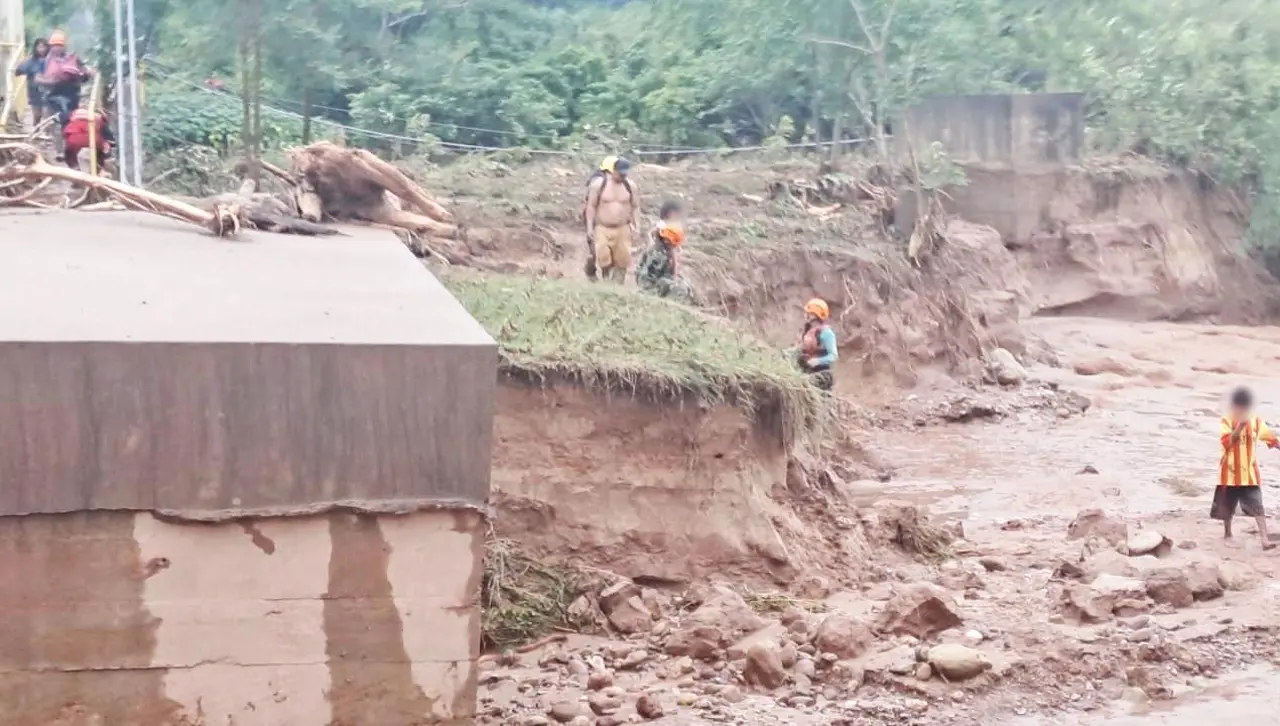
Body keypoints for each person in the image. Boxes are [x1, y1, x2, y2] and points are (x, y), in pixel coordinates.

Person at [1212, 386, 1278, 550]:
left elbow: (1271, 439)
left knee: (1258, 506)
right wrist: (1240, 428)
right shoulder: (1226, 421)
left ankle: (1264, 540)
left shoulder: (1255, 421)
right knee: (1227, 507)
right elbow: (1227, 442)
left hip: (1249, 473)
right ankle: (1227, 535)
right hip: (1229, 474)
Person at [584, 155, 640, 283]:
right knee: (604, 257)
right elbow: (591, 207)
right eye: (620, 174)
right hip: (603, 227)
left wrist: (637, 227)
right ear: (613, 171)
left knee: (622, 260)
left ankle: (618, 285)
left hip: (623, 228)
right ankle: (606, 281)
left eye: (625, 175)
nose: (622, 177)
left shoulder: (630, 187)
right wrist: (589, 227)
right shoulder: (599, 185)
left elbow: (636, 207)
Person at [635, 200, 693, 301]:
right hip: (649, 286)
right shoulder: (659, 252)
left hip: (655, 279)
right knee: (680, 288)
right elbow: (645, 278)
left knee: (681, 285)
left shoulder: (663, 249)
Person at [39, 30, 91, 129]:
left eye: (59, 45)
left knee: (71, 118)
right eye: (54, 45)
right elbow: (39, 79)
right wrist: (51, 81)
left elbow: (84, 74)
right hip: (53, 96)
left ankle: (70, 137)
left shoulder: (73, 58)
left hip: (71, 94)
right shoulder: (45, 61)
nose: (57, 48)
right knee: (56, 121)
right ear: (50, 47)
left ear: (64, 46)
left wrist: (82, 75)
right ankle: (56, 139)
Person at [796, 298, 838, 391]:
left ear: (814, 315)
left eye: (808, 312)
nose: (805, 314)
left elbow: (833, 356)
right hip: (807, 372)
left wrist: (818, 361)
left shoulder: (827, 333)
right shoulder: (808, 330)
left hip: (821, 376)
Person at [62, 106, 113, 173]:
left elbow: (64, 128)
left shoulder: (74, 115)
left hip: (73, 141)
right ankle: (100, 168)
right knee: (102, 151)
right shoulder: (99, 119)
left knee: (69, 152)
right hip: (93, 141)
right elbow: (107, 136)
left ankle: (74, 167)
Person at [13, 38, 49, 128]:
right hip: (35, 92)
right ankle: (36, 133)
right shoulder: (31, 61)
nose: (42, 49)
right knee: (37, 115)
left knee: (47, 115)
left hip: (49, 92)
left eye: (44, 47)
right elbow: (18, 71)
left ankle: (48, 135)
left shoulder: (51, 60)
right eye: (39, 47)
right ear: (35, 48)